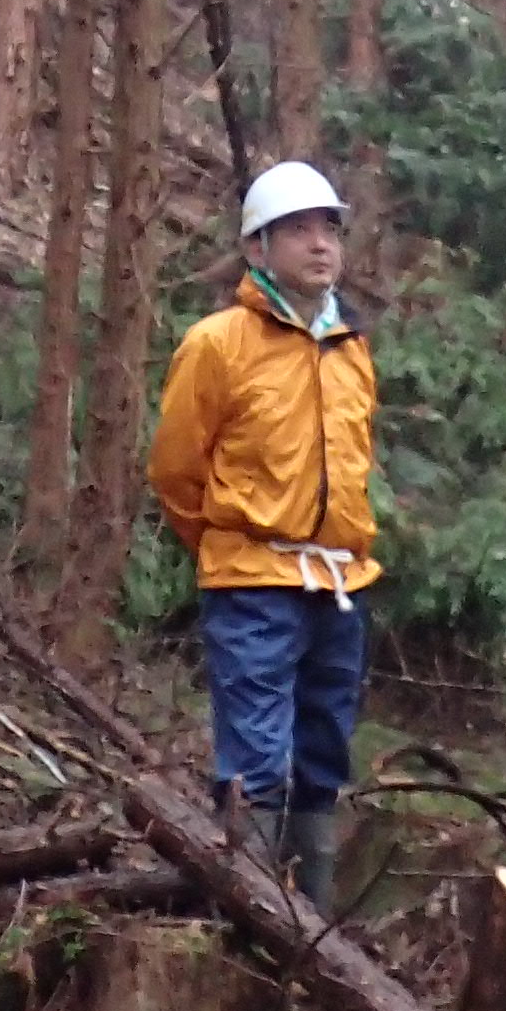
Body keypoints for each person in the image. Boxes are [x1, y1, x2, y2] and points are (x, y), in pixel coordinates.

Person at [143, 161, 377, 906]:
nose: (319, 244)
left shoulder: (352, 349)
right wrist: (226, 549)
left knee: (323, 755)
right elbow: (176, 470)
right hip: (253, 581)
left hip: (340, 585)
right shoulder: (218, 345)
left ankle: (312, 930)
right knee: (257, 756)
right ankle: (243, 920)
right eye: (299, 229)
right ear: (257, 247)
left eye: (329, 228)